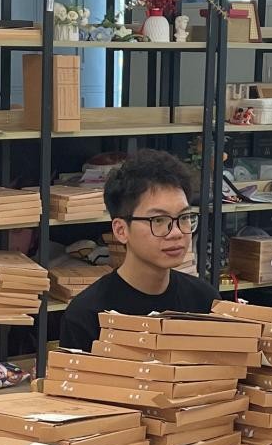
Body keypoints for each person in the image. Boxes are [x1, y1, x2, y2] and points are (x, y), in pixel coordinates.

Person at [58, 149, 216, 353]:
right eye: (158, 220)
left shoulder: (204, 301)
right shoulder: (87, 315)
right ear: (121, 230)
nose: (176, 232)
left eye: (184, 218)